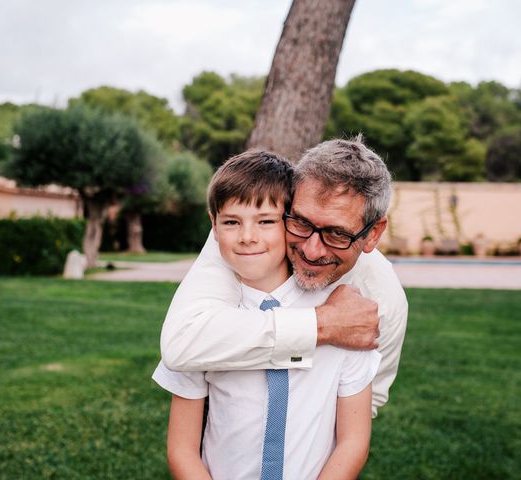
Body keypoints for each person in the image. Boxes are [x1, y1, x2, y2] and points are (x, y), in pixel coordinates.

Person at [153, 150, 381, 478]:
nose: (247, 237)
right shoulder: (203, 319)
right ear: (213, 226)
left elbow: (353, 441)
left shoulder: (345, 315)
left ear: (290, 223)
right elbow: (182, 448)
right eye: (232, 222)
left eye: (266, 222)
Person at [160, 136, 408, 417]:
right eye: (301, 222)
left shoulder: (384, 299)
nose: (312, 251)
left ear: (373, 233)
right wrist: (321, 324)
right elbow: (181, 343)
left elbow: (367, 402)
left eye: (337, 234)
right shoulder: (245, 240)